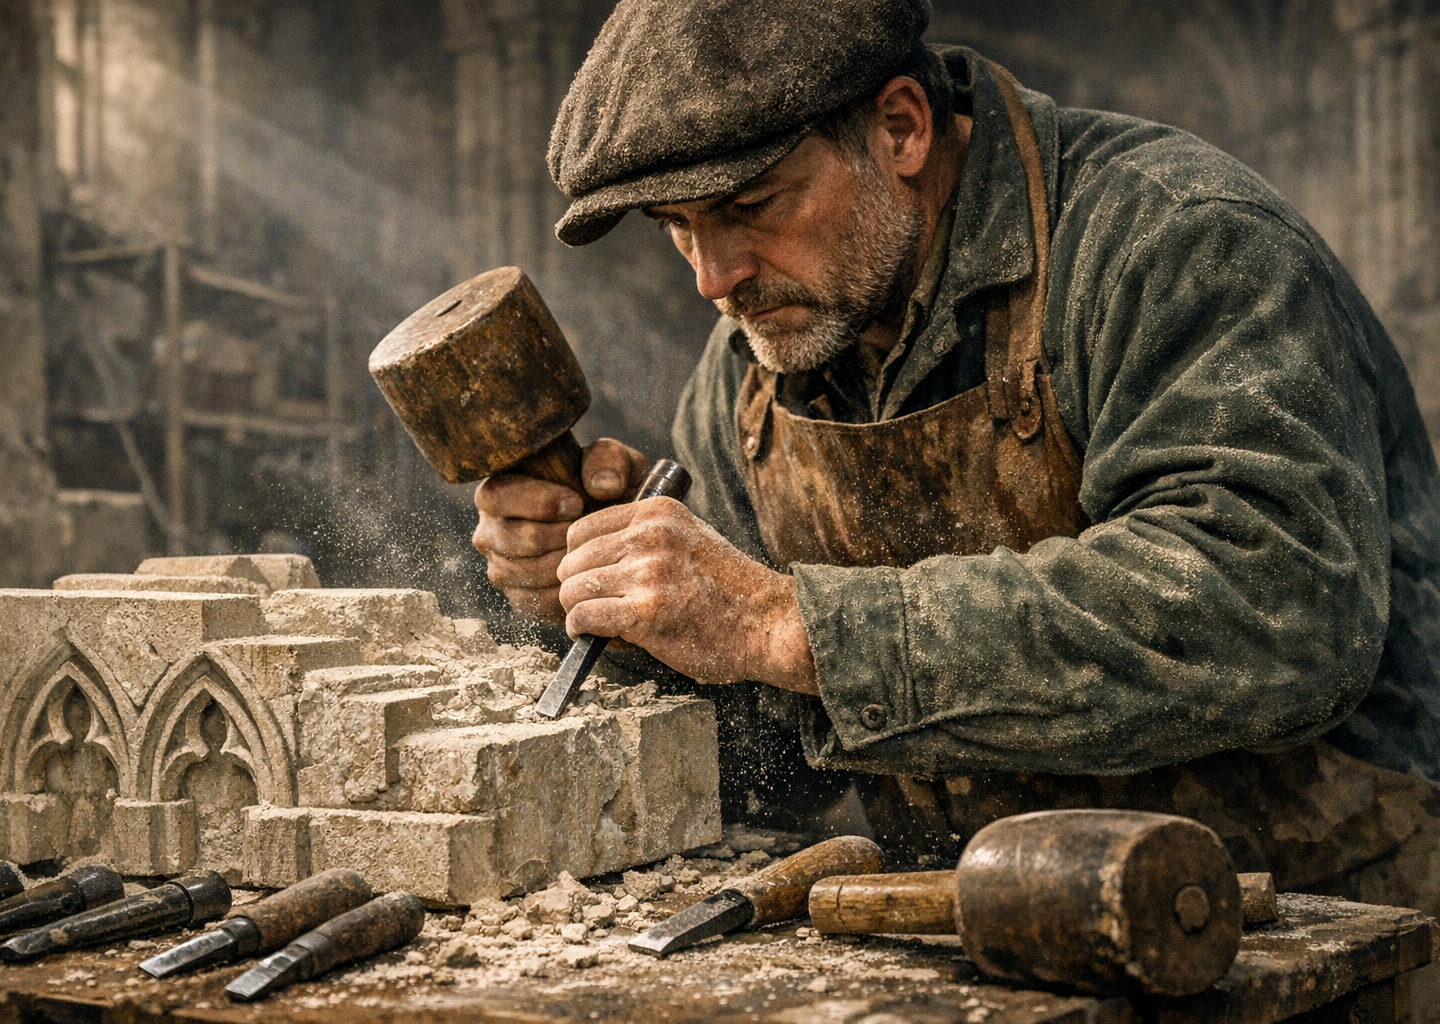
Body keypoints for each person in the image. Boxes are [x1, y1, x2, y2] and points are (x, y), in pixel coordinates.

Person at [471, 0, 1440, 924]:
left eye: (751, 204)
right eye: (677, 227)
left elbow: (1275, 613)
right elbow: (776, 753)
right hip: (984, 925)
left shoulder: (1180, 240)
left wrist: (781, 621)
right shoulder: (761, 364)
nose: (713, 277)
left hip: (1309, 918)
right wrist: (626, 613)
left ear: (900, 127)